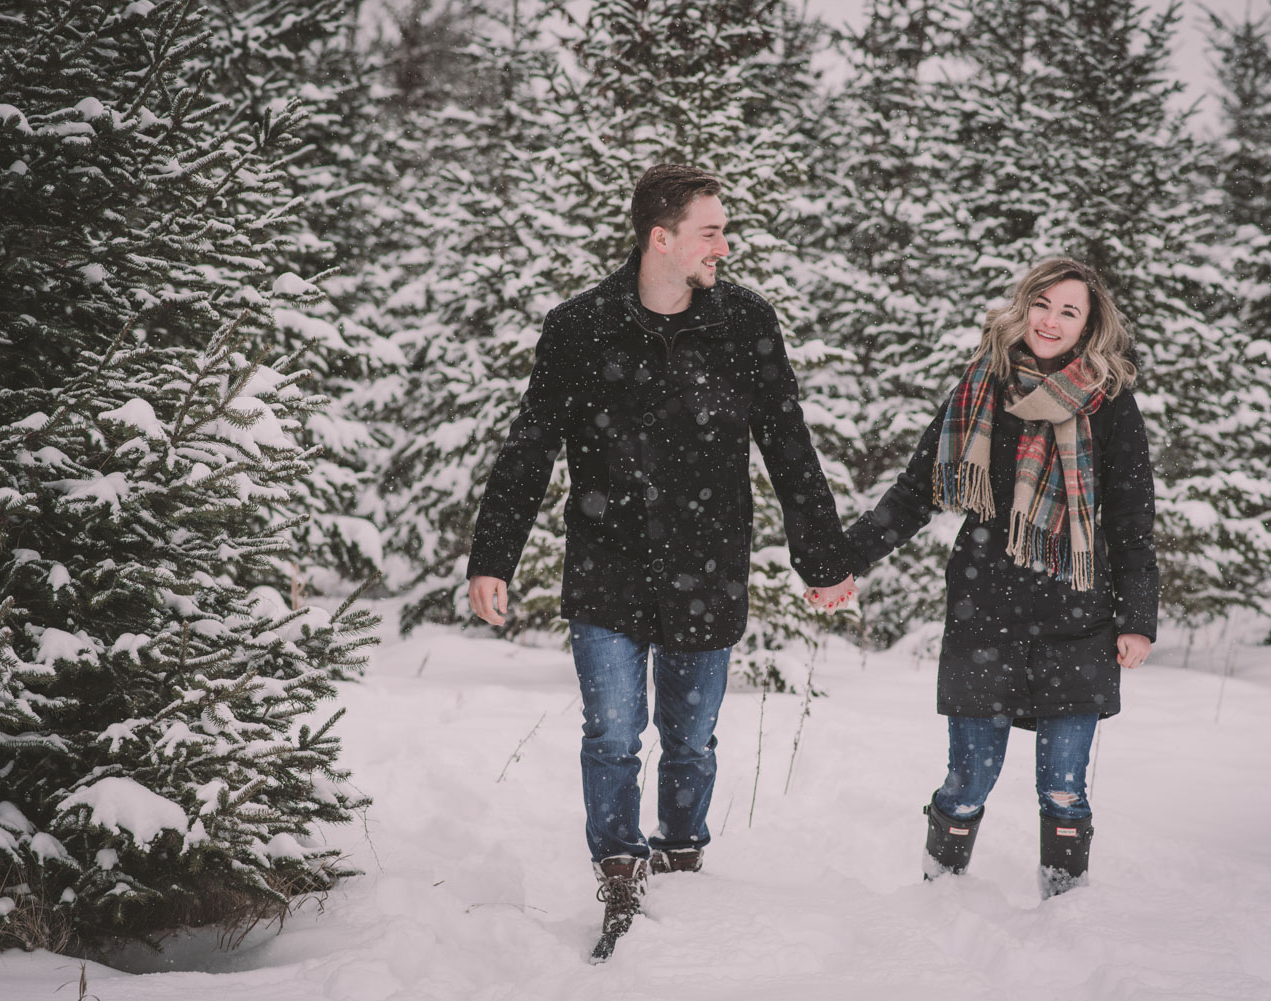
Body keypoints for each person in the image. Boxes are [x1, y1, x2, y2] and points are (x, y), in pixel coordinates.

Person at [466, 164, 858, 961]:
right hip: (606, 567)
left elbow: (788, 444)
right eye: (711, 232)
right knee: (613, 733)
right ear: (661, 238)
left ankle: (681, 854)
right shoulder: (581, 329)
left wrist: (821, 557)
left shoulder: (744, 323)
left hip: (707, 570)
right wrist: (492, 557)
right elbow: (530, 447)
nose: (724, 246)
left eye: (723, 231)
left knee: (690, 738)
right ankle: (619, 868)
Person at [811, 258, 1158, 898]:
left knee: (1064, 788)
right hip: (986, 612)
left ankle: (1067, 911)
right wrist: (843, 562)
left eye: (1069, 311)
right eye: (1042, 304)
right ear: (1023, 307)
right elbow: (916, 492)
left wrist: (1137, 619)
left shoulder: (1109, 403)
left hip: (1077, 616)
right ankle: (940, 896)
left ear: (1088, 326)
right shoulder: (981, 386)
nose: (1050, 321)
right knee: (968, 782)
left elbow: (1132, 517)